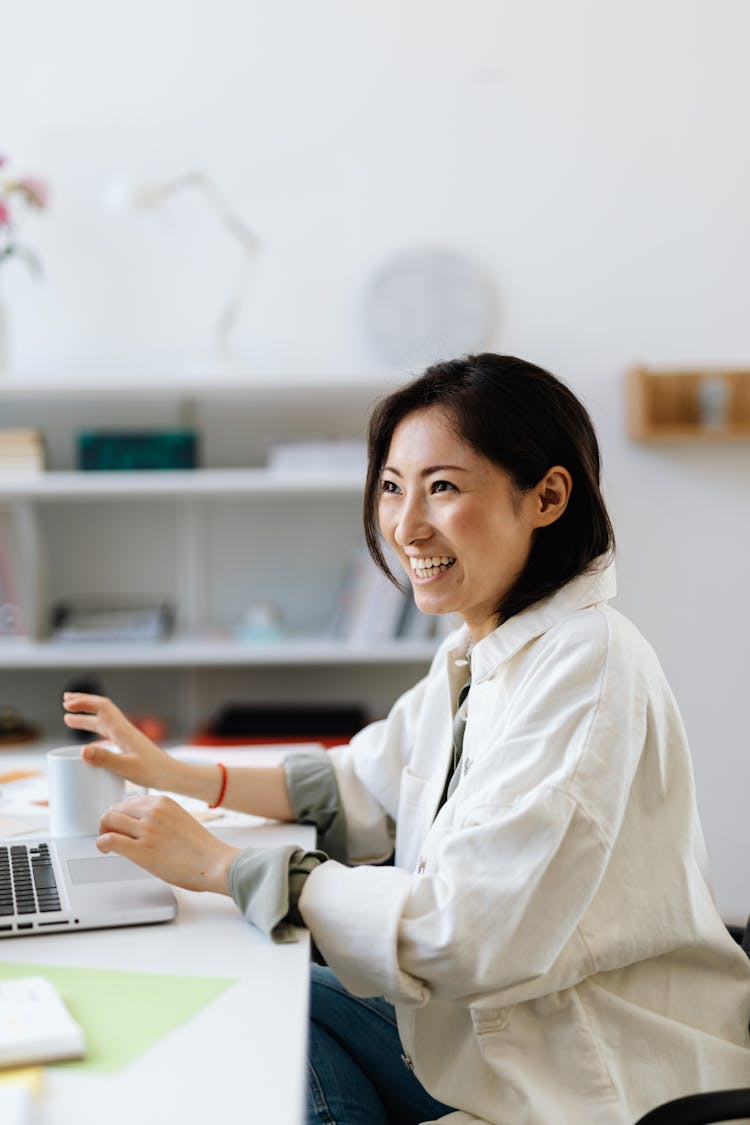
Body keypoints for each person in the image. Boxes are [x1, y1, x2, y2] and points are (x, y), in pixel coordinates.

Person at [62, 354, 750, 1125]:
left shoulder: (587, 662)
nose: (404, 524)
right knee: (274, 999)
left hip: (583, 1071)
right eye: (393, 486)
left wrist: (224, 867)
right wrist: (176, 773)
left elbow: (467, 932)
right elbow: (364, 781)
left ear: (548, 496)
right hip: (496, 1034)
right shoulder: (482, 647)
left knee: (267, 1022)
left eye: (443, 486)